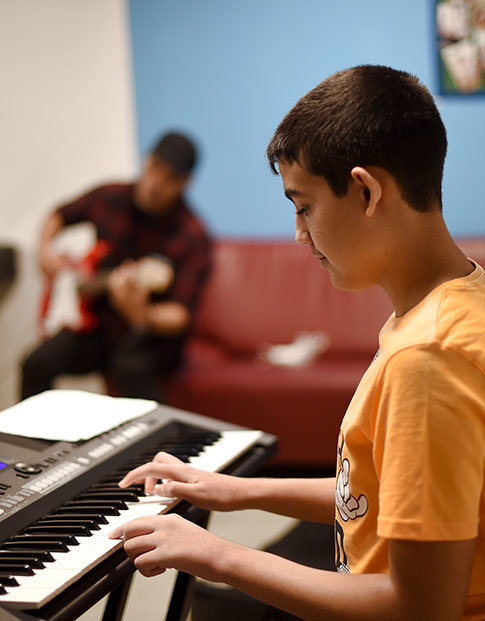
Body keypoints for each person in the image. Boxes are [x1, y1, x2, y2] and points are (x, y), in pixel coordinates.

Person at [109, 66, 485, 620]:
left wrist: (216, 554)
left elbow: (419, 607)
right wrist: (234, 490)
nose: (298, 234)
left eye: (303, 205)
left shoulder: (429, 360)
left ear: (366, 190)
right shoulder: (455, 302)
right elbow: (374, 493)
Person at [20, 132, 212, 403]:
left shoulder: (192, 235)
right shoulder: (109, 197)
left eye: (170, 177)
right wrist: (45, 252)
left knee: (130, 367)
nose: (156, 183)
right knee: (36, 363)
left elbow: (180, 315)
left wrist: (143, 314)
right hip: (96, 324)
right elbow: (58, 215)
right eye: (155, 167)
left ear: (185, 183)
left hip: (148, 337)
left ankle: (160, 442)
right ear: (147, 161)